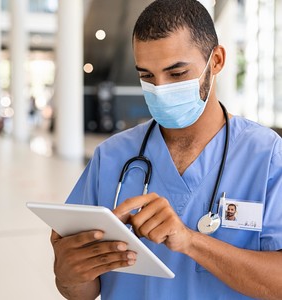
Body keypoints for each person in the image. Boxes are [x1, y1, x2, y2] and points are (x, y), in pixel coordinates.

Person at [51, 0, 282, 299]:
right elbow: (80, 290)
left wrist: (190, 241)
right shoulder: (111, 157)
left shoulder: (267, 156)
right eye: (147, 76)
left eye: (176, 74)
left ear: (216, 62)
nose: (159, 89)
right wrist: (68, 275)